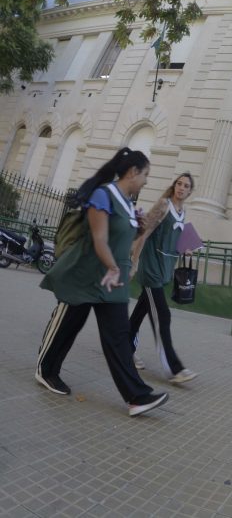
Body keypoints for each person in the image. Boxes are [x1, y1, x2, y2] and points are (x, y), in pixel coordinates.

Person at [35, 147, 169, 417]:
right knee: (68, 325)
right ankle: (45, 370)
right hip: (86, 277)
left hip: (111, 283)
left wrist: (139, 227)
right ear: (132, 172)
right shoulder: (103, 195)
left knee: (119, 338)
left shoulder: (129, 203)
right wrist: (111, 266)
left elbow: (124, 239)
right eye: (145, 175)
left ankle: (137, 397)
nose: (146, 181)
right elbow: (99, 239)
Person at [129, 172, 197, 384]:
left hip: (164, 270)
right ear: (174, 185)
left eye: (186, 186)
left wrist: (186, 249)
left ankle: (123, 348)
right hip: (151, 269)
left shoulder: (182, 211)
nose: (181, 188)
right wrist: (134, 262)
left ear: (190, 191)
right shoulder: (163, 204)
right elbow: (144, 232)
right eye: (179, 183)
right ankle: (174, 369)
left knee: (140, 312)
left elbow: (173, 239)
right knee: (162, 315)